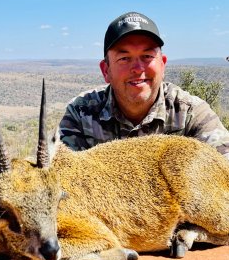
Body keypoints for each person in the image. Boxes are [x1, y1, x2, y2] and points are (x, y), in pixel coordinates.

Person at [59, 11, 229, 158]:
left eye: (147, 56)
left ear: (162, 65)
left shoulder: (190, 113)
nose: (138, 68)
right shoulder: (81, 113)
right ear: (106, 70)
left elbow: (224, 169)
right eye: (124, 58)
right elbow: (63, 181)